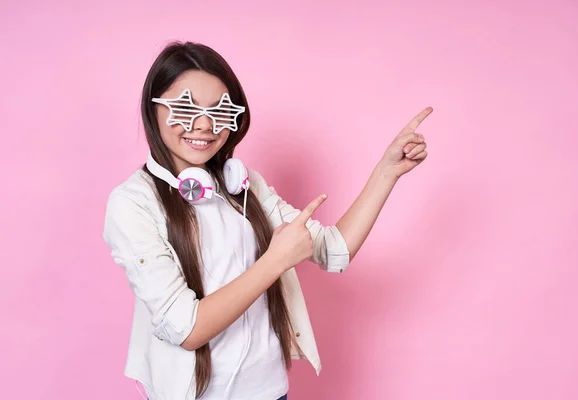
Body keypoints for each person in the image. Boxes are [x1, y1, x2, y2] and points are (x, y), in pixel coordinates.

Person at [102, 41, 431, 400]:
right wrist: (275, 260)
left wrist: (387, 171)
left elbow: (335, 249)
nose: (204, 125)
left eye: (221, 112)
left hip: (269, 391)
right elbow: (187, 329)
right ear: (154, 110)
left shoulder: (244, 185)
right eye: (184, 107)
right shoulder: (132, 203)